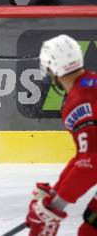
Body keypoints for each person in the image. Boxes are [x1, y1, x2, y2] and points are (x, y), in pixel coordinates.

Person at [25, 34, 97, 236]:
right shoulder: (91, 82)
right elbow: (85, 156)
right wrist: (56, 192)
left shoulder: (80, 101)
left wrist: (53, 207)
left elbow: (91, 162)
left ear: (52, 69)